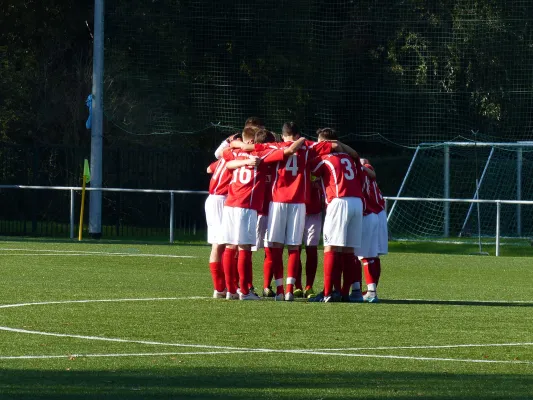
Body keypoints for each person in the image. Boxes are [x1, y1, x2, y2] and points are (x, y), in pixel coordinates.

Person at [221, 128, 305, 300]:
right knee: (244, 247)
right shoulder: (264, 153)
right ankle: (244, 291)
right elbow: (288, 151)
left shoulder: (235, 152)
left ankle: (230, 290)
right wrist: (302, 139)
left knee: (230, 246)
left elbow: (224, 156)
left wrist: (241, 158)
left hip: (230, 203)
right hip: (246, 205)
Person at [309, 128, 365, 302]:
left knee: (330, 247)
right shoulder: (349, 158)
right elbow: (355, 155)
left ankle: (326, 293)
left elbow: (311, 172)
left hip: (339, 201)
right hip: (357, 202)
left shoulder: (325, 159)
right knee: (349, 250)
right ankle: (343, 292)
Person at [359, 158, 387, 303]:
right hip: (379, 213)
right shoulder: (366, 170)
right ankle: (372, 289)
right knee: (374, 256)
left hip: (369, 213)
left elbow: (368, 167)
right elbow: (370, 170)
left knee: (366, 255)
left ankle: (370, 291)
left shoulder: (359, 171)